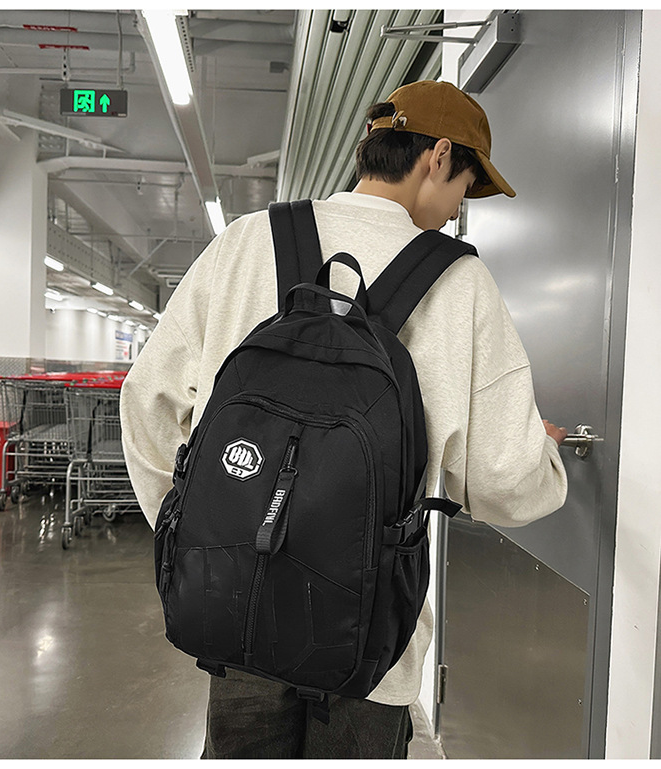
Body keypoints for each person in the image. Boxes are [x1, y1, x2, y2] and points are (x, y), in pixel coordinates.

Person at [119, 80, 569, 759]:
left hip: (238, 613)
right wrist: (547, 459)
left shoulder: (246, 242)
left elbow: (146, 401)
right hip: (369, 645)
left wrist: (199, 534)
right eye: (465, 187)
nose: (458, 210)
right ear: (438, 156)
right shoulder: (460, 282)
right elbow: (503, 479)